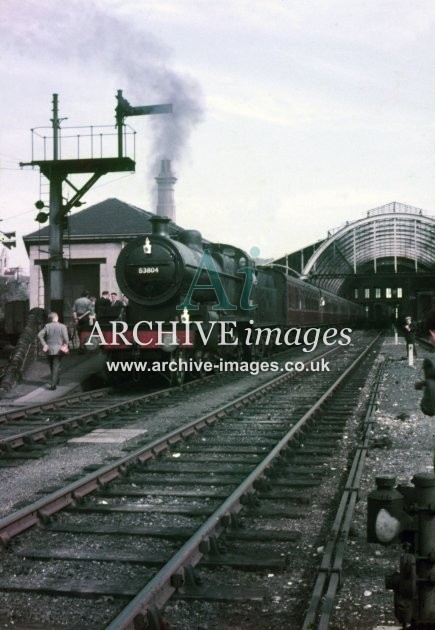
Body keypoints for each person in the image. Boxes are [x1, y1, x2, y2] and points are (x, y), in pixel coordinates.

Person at [37, 312, 69, 390]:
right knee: (56, 366)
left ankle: (56, 380)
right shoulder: (63, 326)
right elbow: (66, 339)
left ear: (50, 319)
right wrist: (65, 345)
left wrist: (44, 344)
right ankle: (53, 384)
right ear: (57, 318)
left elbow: (39, 335)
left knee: (52, 366)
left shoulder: (47, 326)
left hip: (49, 349)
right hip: (59, 350)